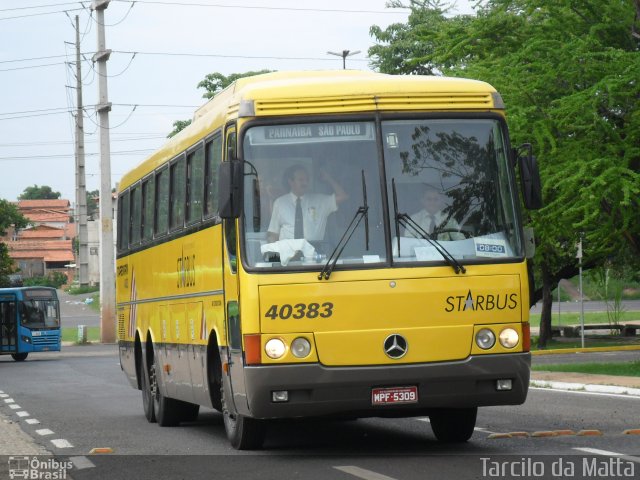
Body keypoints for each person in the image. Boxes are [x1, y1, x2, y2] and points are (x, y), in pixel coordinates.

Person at [267, 165, 347, 243]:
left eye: (307, 180)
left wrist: (329, 179)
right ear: (291, 182)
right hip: (287, 253)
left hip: (313, 252)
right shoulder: (280, 203)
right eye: (301, 180)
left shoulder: (319, 201)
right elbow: (273, 233)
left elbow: (343, 196)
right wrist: (275, 253)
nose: (305, 182)